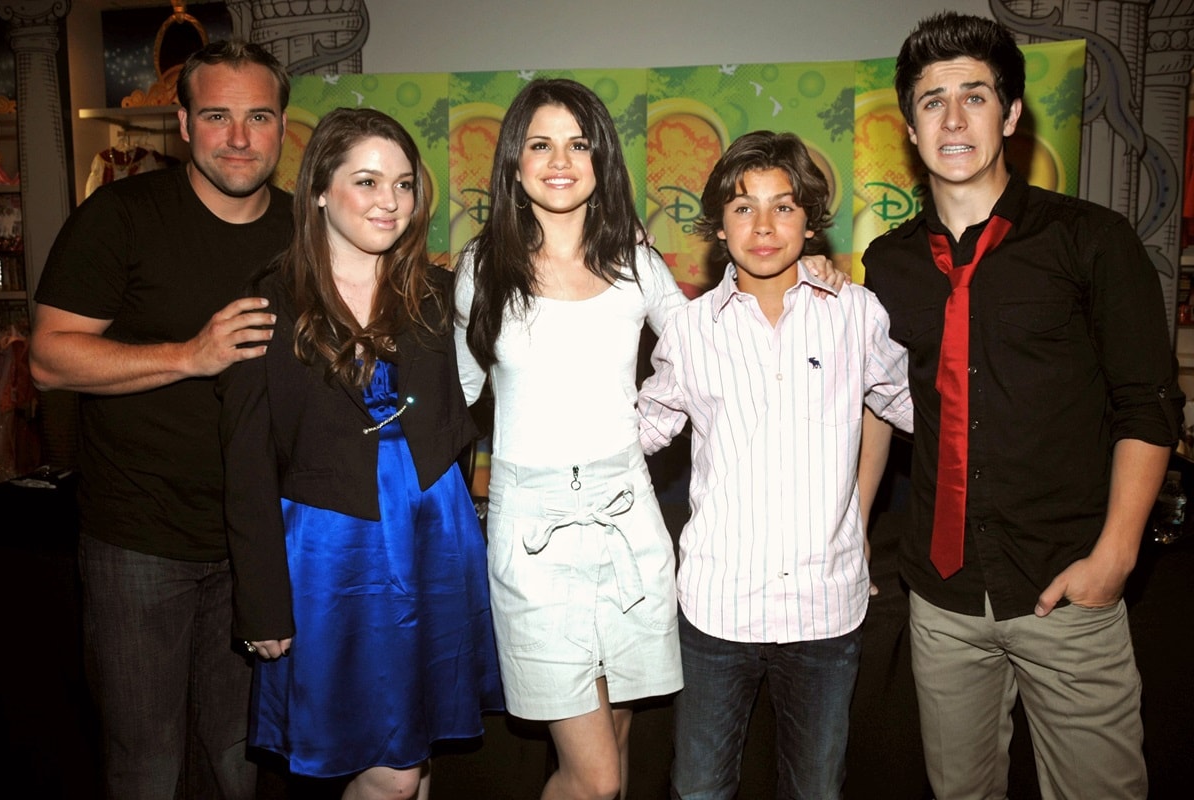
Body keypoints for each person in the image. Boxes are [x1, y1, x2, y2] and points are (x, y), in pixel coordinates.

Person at [862, 12, 1184, 800]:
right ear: (910, 126)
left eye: (975, 96)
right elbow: (876, 404)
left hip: (1065, 590)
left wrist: (1113, 559)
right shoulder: (888, 263)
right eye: (933, 100)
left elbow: (1148, 406)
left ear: (1009, 115)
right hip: (940, 599)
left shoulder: (1095, 242)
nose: (954, 117)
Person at [28, 40, 291, 799]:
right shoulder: (122, 216)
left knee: (241, 764)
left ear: (281, 126)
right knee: (145, 764)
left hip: (258, 547)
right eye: (217, 116)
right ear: (182, 124)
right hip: (138, 543)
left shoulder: (306, 230)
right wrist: (189, 353)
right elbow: (48, 358)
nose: (238, 137)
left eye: (258, 117)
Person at [218, 107, 502, 799]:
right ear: (319, 188)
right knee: (392, 773)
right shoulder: (268, 301)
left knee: (417, 751)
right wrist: (261, 605)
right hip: (329, 553)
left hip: (434, 536)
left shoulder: (436, 294)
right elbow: (247, 463)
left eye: (404, 185)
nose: (390, 202)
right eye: (368, 181)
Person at [637, 130, 913, 800]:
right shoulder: (690, 331)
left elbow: (915, 409)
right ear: (718, 226)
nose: (763, 226)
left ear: (810, 220)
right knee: (699, 787)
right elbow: (640, 432)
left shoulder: (856, 314)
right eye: (742, 208)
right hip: (716, 608)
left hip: (825, 607)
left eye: (782, 207)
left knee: (816, 789)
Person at [452, 77, 685, 800]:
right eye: (541, 143)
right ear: (515, 164)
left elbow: (704, 356)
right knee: (596, 776)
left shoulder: (638, 264)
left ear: (602, 159)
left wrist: (646, 430)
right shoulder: (482, 269)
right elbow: (456, 398)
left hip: (628, 518)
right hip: (531, 530)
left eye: (579, 144)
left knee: (616, 744)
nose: (560, 160)